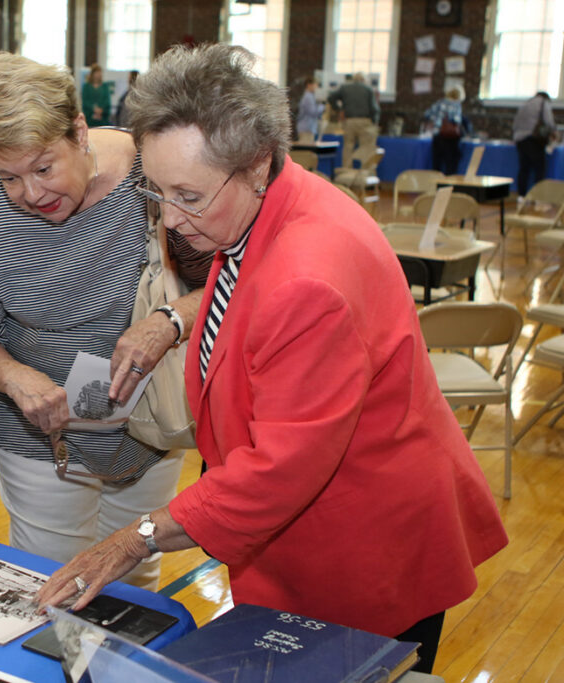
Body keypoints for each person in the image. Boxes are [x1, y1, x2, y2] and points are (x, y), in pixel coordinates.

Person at [37, 44, 508, 675]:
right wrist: (175, 319)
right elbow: (240, 311)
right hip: (320, 522)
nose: (171, 221)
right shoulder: (270, 202)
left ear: (257, 164)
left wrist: (134, 540)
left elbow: (278, 470)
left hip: (363, 547)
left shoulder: (308, 276)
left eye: (189, 196)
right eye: (159, 193)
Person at [0, 53, 211, 590]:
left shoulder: (153, 180)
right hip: (39, 442)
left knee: (135, 584)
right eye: (8, 177)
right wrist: (16, 378)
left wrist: (169, 319)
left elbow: (235, 279)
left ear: (80, 131)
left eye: (44, 167)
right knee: (53, 586)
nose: (32, 193)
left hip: (150, 431)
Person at [327, 72, 379, 167]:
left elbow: (331, 97)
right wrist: (374, 122)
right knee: (366, 147)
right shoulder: (368, 89)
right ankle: (365, 172)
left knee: (348, 147)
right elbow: (374, 109)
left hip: (349, 121)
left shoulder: (345, 88)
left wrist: (338, 109)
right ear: (363, 80)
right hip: (365, 121)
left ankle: (346, 172)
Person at [513, 91, 558, 196]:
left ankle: (521, 197)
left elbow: (515, 125)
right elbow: (549, 122)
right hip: (533, 140)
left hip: (520, 140)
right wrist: (554, 133)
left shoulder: (525, 104)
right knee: (540, 169)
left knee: (524, 169)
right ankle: (538, 198)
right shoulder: (543, 103)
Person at [424, 87, 466, 175]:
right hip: (450, 138)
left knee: (437, 166)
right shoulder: (456, 104)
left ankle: (435, 186)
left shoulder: (439, 102)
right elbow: (456, 120)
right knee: (450, 166)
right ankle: (448, 187)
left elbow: (427, 114)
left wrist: (436, 121)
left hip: (437, 136)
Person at [295, 77, 326, 141]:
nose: (317, 87)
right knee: (306, 149)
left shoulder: (311, 96)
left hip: (309, 128)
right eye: (315, 84)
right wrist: (322, 107)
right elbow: (313, 112)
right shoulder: (308, 97)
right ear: (309, 85)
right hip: (306, 128)